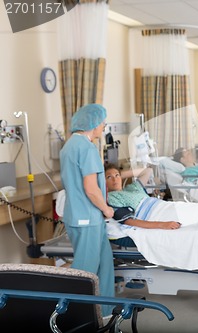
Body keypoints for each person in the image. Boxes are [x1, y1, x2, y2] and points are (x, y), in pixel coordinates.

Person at [59, 103, 115, 317]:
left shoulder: (69, 146)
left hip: (82, 217)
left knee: (105, 267)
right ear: (93, 123)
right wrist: (107, 210)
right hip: (88, 218)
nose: (104, 126)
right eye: (103, 122)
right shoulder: (86, 148)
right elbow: (91, 189)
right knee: (86, 272)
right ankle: (77, 315)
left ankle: (106, 312)